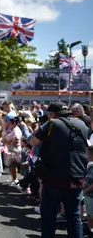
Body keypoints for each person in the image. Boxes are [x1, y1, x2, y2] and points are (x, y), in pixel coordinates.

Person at [30, 102, 89, 238]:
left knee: (49, 216)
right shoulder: (83, 124)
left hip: (53, 177)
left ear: (52, 114)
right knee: (74, 217)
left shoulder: (51, 124)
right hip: (77, 176)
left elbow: (33, 141)